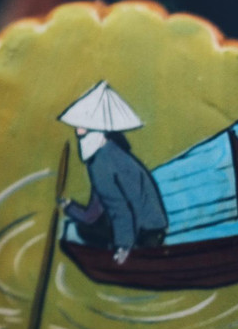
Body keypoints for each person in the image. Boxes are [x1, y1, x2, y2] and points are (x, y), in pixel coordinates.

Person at [56, 81, 168, 265]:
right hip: (150, 228)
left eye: (82, 128)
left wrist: (123, 247)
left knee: (84, 232)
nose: (78, 132)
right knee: (82, 228)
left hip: (146, 234)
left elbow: (120, 209)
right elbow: (94, 211)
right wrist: (70, 207)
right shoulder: (108, 153)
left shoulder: (103, 162)